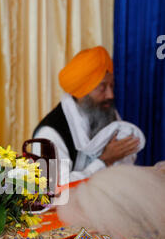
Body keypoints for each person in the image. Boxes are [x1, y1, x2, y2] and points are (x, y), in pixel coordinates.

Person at [32, 46, 145, 185]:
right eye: (102, 88)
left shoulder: (105, 113)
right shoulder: (49, 134)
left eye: (112, 86)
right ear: (81, 91)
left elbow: (127, 160)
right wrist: (104, 161)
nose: (111, 95)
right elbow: (53, 188)